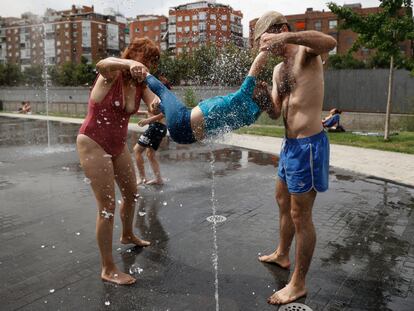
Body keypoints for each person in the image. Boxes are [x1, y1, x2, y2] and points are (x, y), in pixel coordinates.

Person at [253, 11, 337, 305]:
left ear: (279, 30)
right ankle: (282, 253)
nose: (264, 47)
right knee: (282, 202)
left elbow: (329, 41)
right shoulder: (278, 71)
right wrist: (262, 97)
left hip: (309, 146)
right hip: (289, 146)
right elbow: (277, 111)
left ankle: (298, 283)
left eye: (265, 39)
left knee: (301, 215)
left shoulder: (306, 53)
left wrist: (288, 37)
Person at [76, 38, 161, 285]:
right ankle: (108, 268)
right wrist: (128, 63)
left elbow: (155, 102)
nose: (150, 66)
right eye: (148, 60)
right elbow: (103, 63)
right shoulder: (112, 73)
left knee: (132, 193)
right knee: (107, 206)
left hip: (116, 144)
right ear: (134, 56)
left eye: (154, 62)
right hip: (93, 141)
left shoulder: (140, 84)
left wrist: (162, 105)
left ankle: (127, 235)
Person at [133, 51, 277, 144]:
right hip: (187, 138)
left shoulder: (243, 95)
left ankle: (143, 73)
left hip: (182, 121)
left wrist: (267, 46)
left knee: (163, 91)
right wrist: (161, 108)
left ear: (252, 92)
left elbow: (257, 65)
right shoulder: (252, 115)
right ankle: (159, 105)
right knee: (175, 107)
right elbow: (271, 108)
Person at [133, 95, 167, 185]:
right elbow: (151, 111)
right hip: (159, 128)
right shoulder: (154, 96)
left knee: (137, 150)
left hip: (155, 127)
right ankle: (158, 179)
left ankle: (142, 178)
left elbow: (164, 112)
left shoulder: (156, 97)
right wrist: (138, 112)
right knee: (150, 155)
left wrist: (148, 120)